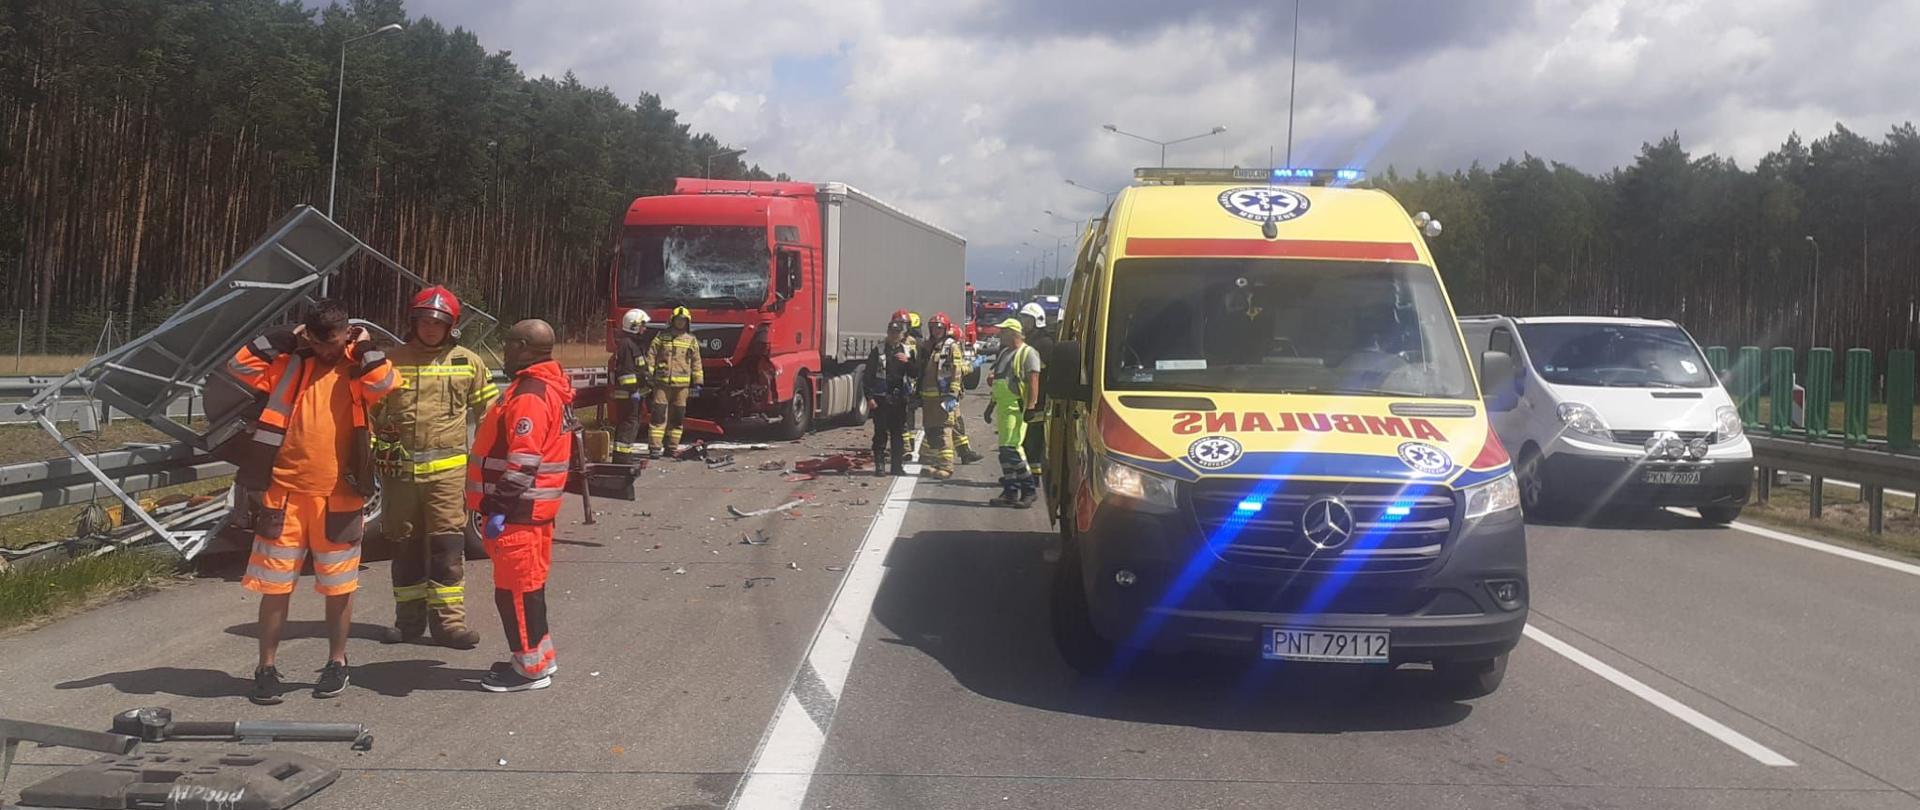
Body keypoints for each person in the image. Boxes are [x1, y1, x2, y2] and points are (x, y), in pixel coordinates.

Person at [227, 299, 401, 705]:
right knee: (275, 586)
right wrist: (290, 335)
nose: (327, 351)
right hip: (282, 496)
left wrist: (364, 344)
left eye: (334, 342)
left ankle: (337, 662)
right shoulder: (290, 365)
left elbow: (384, 383)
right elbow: (239, 364)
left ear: (345, 335)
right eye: (320, 343)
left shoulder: (357, 368)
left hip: (339, 496)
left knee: (340, 587)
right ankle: (265, 668)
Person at [370, 286, 496, 650]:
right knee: (405, 548)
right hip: (400, 479)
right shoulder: (391, 362)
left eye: (437, 323)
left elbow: (488, 417)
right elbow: (368, 414)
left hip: (448, 478)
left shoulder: (468, 363)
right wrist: (374, 450)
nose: (429, 329)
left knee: (447, 549)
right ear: (413, 322)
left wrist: (489, 468)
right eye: (424, 322)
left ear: (451, 327)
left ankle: (449, 625)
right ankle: (408, 623)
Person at [467, 319, 572, 693]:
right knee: (529, 589)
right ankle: (538, 657)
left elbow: (523, 461)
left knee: (515, 593)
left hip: (517, 513)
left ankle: (529, 670)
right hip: (531, 512)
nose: (505, 349)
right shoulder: (546, 386)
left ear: (525, 345)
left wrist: (496, 506)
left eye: (509, 343)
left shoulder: (529, 393)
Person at [988, 318, 1043, 507]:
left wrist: (1031, 406)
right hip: (1004, 409)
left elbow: (1034, 380)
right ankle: (1010, 491)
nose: (1000, 335)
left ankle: (1028, 490)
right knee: (1004, 452)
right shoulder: (1004, 353)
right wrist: (990, 405)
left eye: (1003, 332)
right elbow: (1000, 380)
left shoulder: (1028, 353)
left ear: (1013, 333)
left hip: (1017, 409)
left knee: (1012, 450)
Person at [864, 310, 918, 476]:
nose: (894, 335)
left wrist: (908, 362)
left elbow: (916, 373)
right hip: (881, 398)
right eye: (891, 332)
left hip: (899, 398)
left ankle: (896, 467)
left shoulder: (908, 351)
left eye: (897, 332)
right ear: (888, 333)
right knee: (880, 434)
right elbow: (868, 375)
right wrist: (869, 397)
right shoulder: (878, 350)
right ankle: (880, 467)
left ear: (902, 334)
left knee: (898, 435)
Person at [648, 306, 703, 459]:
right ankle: (655, 447)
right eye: (678, 320)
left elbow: (696, 362)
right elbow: (651, 355)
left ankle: (672, 447)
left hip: (682, 387)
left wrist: (698, 381)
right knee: (658, 415)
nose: (680, 323)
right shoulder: (661, 337)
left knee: (677, 418)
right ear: (672, 321)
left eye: (683, 320)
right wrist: (649, 375)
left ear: (687, 322)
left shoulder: (691, 340)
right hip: (662, 384)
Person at [917, 312, 966, 479]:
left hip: (944, 397)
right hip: (928, 397)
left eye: (939, 327)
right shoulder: (927, 346)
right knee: (930, 430)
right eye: (933, 327)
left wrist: (953, 393)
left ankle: (946, 466)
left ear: (945, 329)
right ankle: (932, 464)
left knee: (944, 430)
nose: (936, 330)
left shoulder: (951, 346)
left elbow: (956, 371)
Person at [1016, 302, 1055, 484]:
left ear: (1037, 321)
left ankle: (1034, 476)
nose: (1024, 322)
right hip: (1026, 397)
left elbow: (1037, 373)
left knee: (1033, 440)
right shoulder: (1028, 341)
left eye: (1027, 319)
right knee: (1024, 439)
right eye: (1023, 318)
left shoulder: (1044, 343)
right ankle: (1026, 474)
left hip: (1038, 399)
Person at [609, 308, 653, 464]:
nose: (645, 328)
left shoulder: (633, 344)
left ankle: (624, 457)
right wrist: (633, 391)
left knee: (631, 425)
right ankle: (622, 460)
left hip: (633, 395)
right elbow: (627, 373)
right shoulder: (628, 345)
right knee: (627, 426)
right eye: (643, 325)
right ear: (634, 326)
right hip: (628, 396)